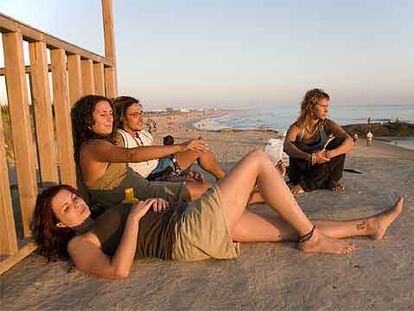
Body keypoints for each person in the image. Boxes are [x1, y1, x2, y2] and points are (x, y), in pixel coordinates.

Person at [31, 150, 404, 279]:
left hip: (186, 221)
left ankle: (367, 225)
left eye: (73, 197)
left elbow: (139, 229)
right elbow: (118, 270)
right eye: (67, 207)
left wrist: (151, 209)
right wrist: (132, 220)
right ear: (60, 223)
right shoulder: (80, 244)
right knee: (258, 160)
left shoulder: (95, 219)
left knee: (285, 226)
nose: (77, 204)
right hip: (186, 235)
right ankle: (313, 239)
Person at [71, 95, 215, 212]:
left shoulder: (101, 142)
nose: (110, 119)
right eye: (103, 115)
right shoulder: (94, 146)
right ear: (88, 120)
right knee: (207, 190)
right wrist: (179, 147)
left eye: (110, 113)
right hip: (135, 195)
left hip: (143, 187)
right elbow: (131, 155)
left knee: (201, 187)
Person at [112, 96, 225, 181]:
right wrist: (179, 147)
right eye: (134, 115)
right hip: (149, 177)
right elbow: (133, 155)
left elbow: (154, 154)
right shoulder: (120, 137)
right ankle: (225, 183)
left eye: (141, 113)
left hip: (160, 166)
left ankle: (223, 179)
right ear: (122, 118)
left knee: (199, 146)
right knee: (197, 186)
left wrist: (188, 171)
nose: (141, 118)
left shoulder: (143, 134)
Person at [284, 89, 354, 194]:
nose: (326, 110)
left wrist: (329, 154)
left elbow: (350, 141)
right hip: (302, 172)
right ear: (311, 107)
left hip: (322, 167)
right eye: (323, 106)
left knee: (340, 141)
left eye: (327, 106)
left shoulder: (328, 124)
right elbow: (287, 146)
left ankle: (317, 182)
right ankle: (315, 183)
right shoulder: (297, 127)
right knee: (295, 145)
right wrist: (311, 157)